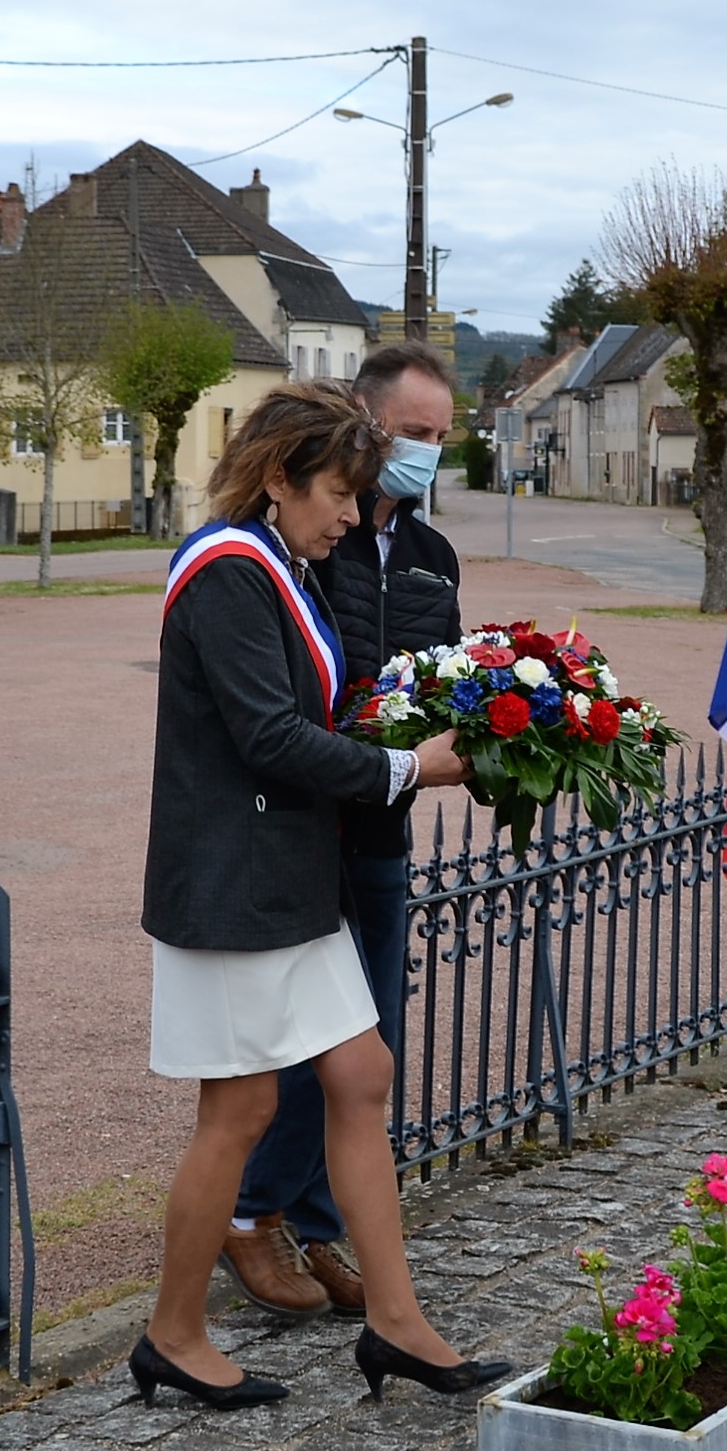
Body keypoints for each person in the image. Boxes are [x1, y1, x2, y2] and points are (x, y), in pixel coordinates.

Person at [134, 380, 511, 1411]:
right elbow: (266, 736)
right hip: (234, 881)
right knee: (241, 1106)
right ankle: (172, 1332)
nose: (352, 515)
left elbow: (318, 711)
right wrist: (407, 769)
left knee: (359, 1072)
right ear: (276, 478)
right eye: (338, 494)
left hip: (285, 877)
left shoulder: (281, 568)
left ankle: (396, 1323)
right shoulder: (225, 570)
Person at [224, 340, 465, 1318]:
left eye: (442, 439)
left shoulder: (429, 551)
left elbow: (446, 672)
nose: (426, 455)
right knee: (300, 1043)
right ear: (364, 425)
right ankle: (250, 1214)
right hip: (301, 825)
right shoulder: (282, 544)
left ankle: (317, 1224)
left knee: (366, 1046)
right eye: (412, 434)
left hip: (382, 826)